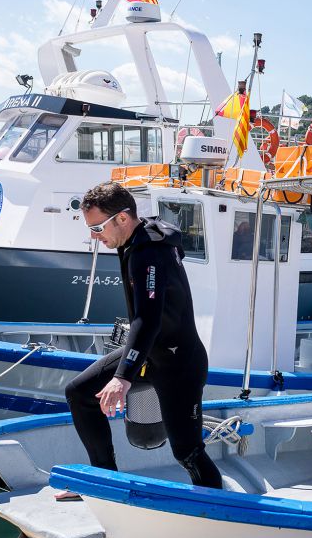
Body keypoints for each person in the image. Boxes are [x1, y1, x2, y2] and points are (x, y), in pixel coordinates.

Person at [58, 182, 221, 500]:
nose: (94, 235)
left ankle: (217, 510)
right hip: (149, 354)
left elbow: (148, 319)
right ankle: (105, 481)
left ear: (122, 218)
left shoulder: (148, 254)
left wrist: (122, 378)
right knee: (79, 394)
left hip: (179, 363)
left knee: (187, 452)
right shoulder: (139, 236)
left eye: (97, 227)